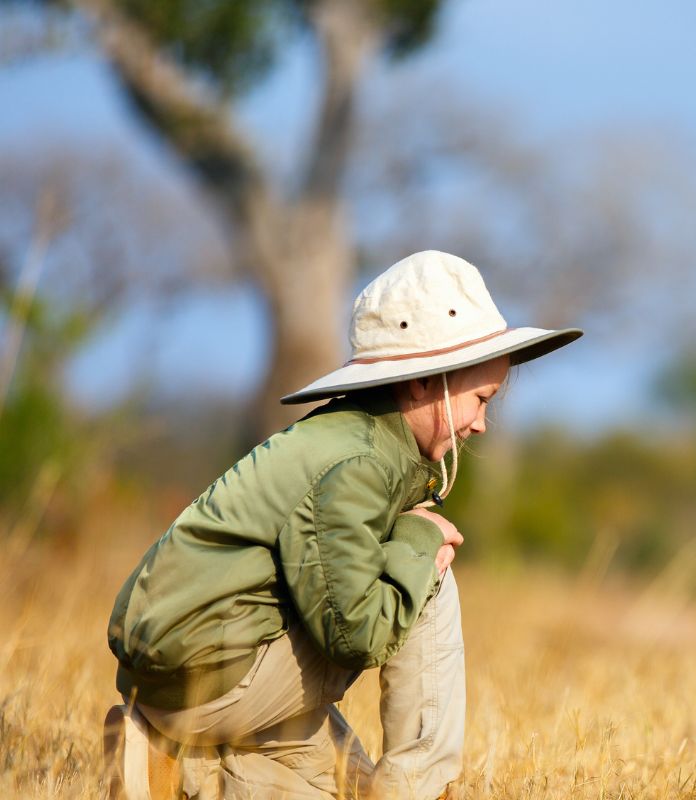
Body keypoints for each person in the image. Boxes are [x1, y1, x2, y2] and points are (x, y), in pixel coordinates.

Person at [103, 251, 582, 799]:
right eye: (479, 399)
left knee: (343, 785)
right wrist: (419, 542)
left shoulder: (350, 440)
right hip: (214, 676)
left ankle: (166, 757)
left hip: (185, 676)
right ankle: (418, 787)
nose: (481, 424)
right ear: (422, 384)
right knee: (430, 579)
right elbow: (354, 634)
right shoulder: (356, 464)